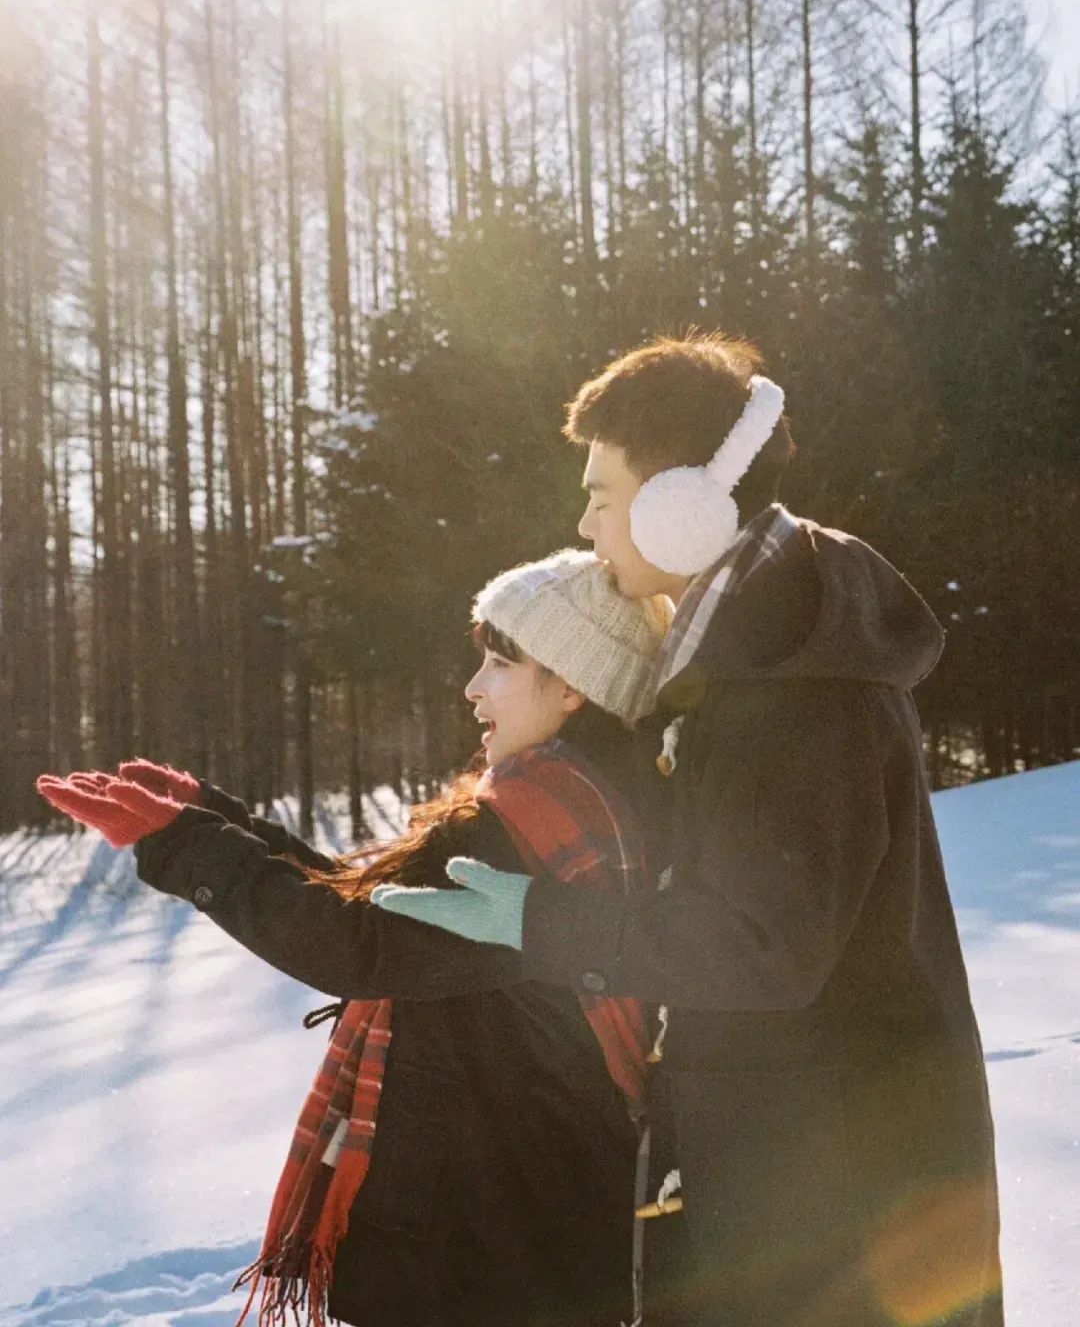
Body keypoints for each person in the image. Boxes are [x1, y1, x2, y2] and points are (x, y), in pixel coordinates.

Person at [375, 332, 1004, 1327]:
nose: (584, 524)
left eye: (603, 495)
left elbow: (762, 949)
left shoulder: (798, 691)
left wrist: (543, 922)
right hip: (793, 1192)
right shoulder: (743, 666)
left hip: (839, 1223)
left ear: (685, 505)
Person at [36, 549, 673, 1327]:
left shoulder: (520, 826)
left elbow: (355, 944)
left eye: (501, 664)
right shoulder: (576, 803)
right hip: (531, 1216)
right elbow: (380, 913)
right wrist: (216, 819)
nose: (474, 688)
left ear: (574, 685)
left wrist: (186, 842)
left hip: (490, 1240)